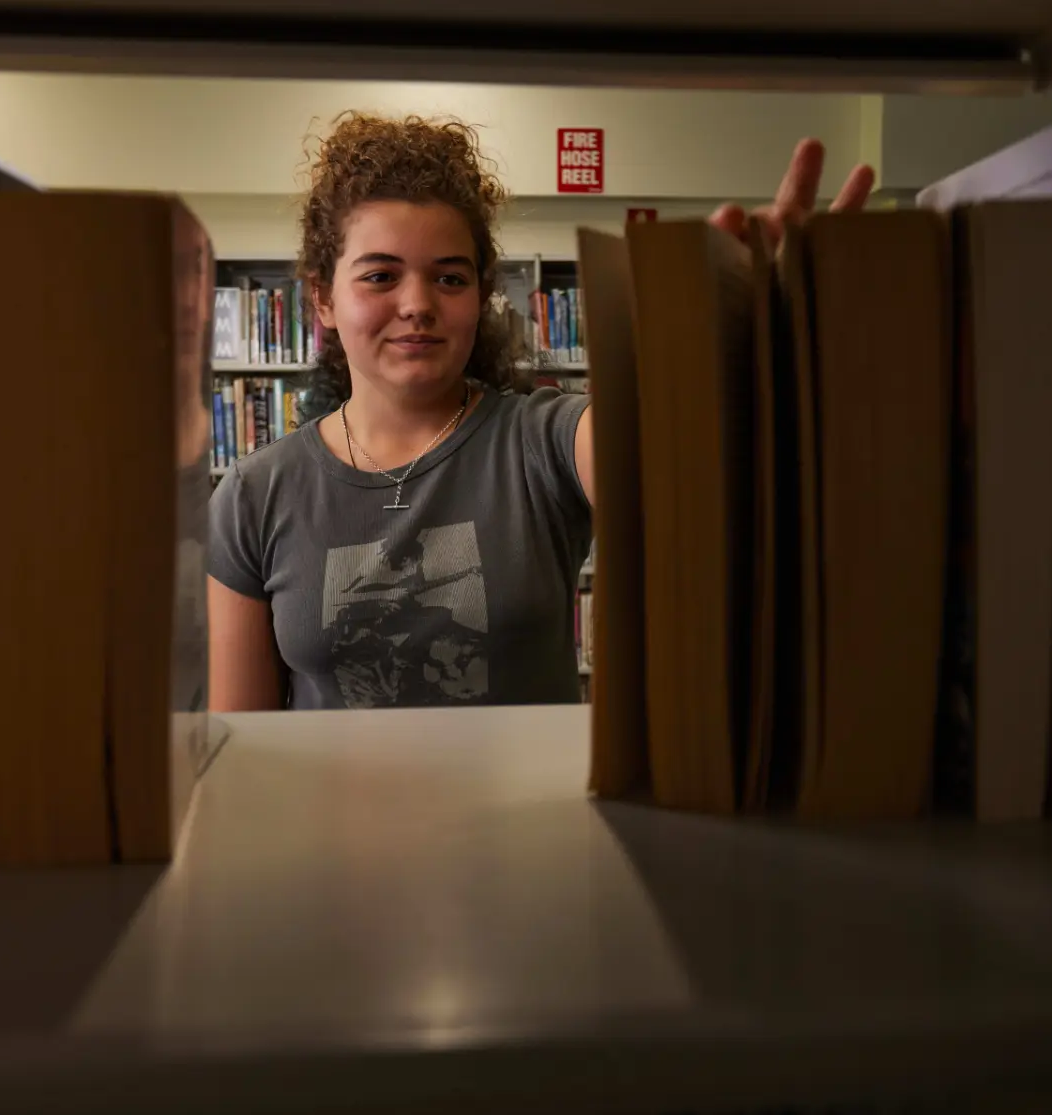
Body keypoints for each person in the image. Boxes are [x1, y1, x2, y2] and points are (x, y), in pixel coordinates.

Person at [208, 114, 873, 710]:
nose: (418, 303)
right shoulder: (254, 495)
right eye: (380, 276)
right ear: (322, 299)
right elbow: (244, 751)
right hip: (333, 845)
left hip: (533, 843)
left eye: (449, 276)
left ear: (480, 293)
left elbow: (673, 453)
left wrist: (738, 334)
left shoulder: (543, 440)